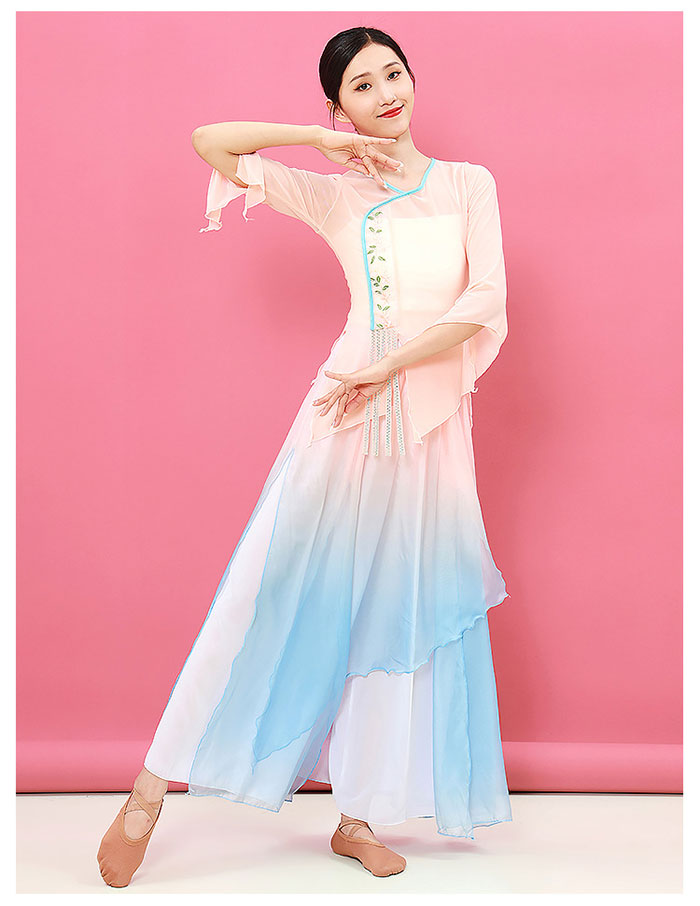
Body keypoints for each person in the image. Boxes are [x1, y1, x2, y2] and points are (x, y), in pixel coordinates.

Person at [97, 25, 512, 887]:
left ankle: (357, 816)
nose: (385, 94)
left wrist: (391, 366)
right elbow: (211, 142)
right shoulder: (334, 196)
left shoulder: (468, 183)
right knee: (266, 586)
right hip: (343, 415)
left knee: (397, 606)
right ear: (338, 106)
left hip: (427, 425)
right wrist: (315, 143)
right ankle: (151, 783)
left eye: (393, 74)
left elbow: (485, 299)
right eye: (361, 86)